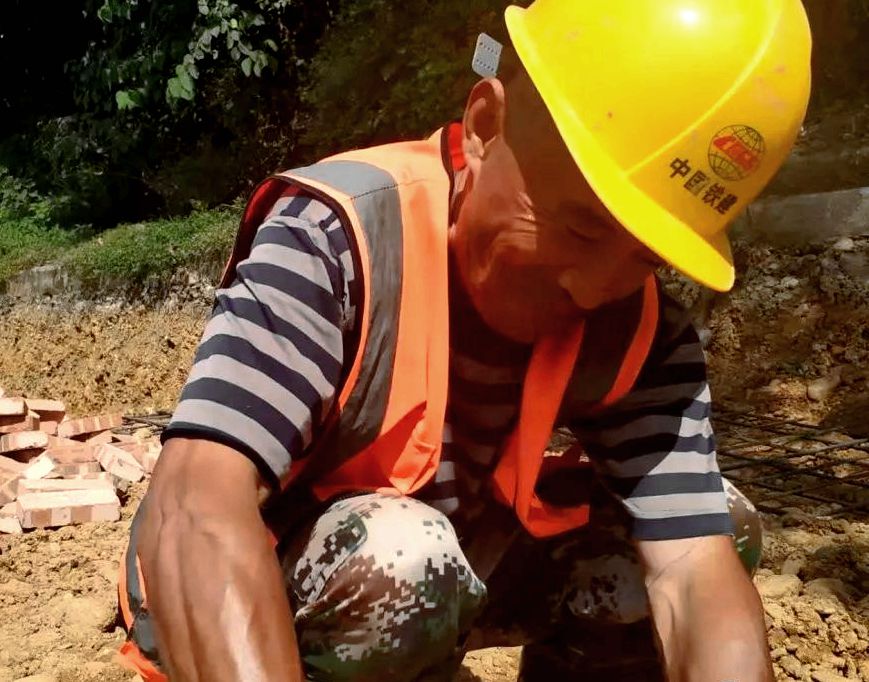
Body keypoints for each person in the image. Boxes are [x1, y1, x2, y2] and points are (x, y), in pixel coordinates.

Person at [117, 1, 812, 680]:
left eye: (645, 256)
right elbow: (196, 502)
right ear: (485, 125)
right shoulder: (340, 236)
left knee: (720, 523)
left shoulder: (636, 322)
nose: (598, 286)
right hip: (261, 585)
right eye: (580, 228)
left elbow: (692, 571)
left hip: (458, 560)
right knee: (400, 557)